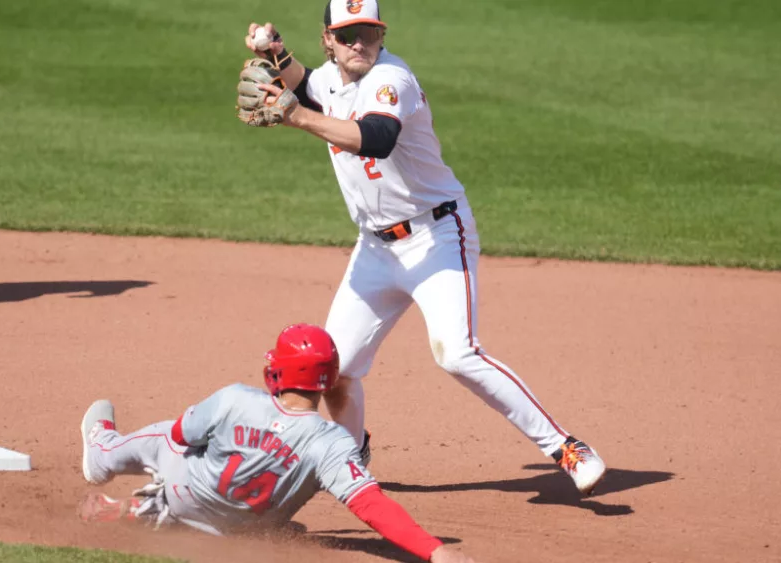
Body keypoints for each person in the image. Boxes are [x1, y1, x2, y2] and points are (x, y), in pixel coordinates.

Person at [245, 0, 605, 495]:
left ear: (381, 33)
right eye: (347, 34)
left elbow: (375, 137)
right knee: (336, 370)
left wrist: (297, 118)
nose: (359, 43)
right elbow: (309, 85)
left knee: (456, 353)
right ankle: (349, 462)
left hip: (436, 236)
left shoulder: (391, 79)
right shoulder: (332, 76)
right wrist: (277, 52)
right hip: (375, 248)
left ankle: (565, 446)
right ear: (327, 38)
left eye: (368, 33)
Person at [79, 324, 476, 563]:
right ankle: (148, 511)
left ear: (278, 371)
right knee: (290, 519)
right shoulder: (333, 444)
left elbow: (183, 435)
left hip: (188, 495)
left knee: (168, 435)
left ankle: (104, 455)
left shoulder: (236, 399)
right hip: (242, 529)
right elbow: (373, 506)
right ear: (330, 378)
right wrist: (435, 551)